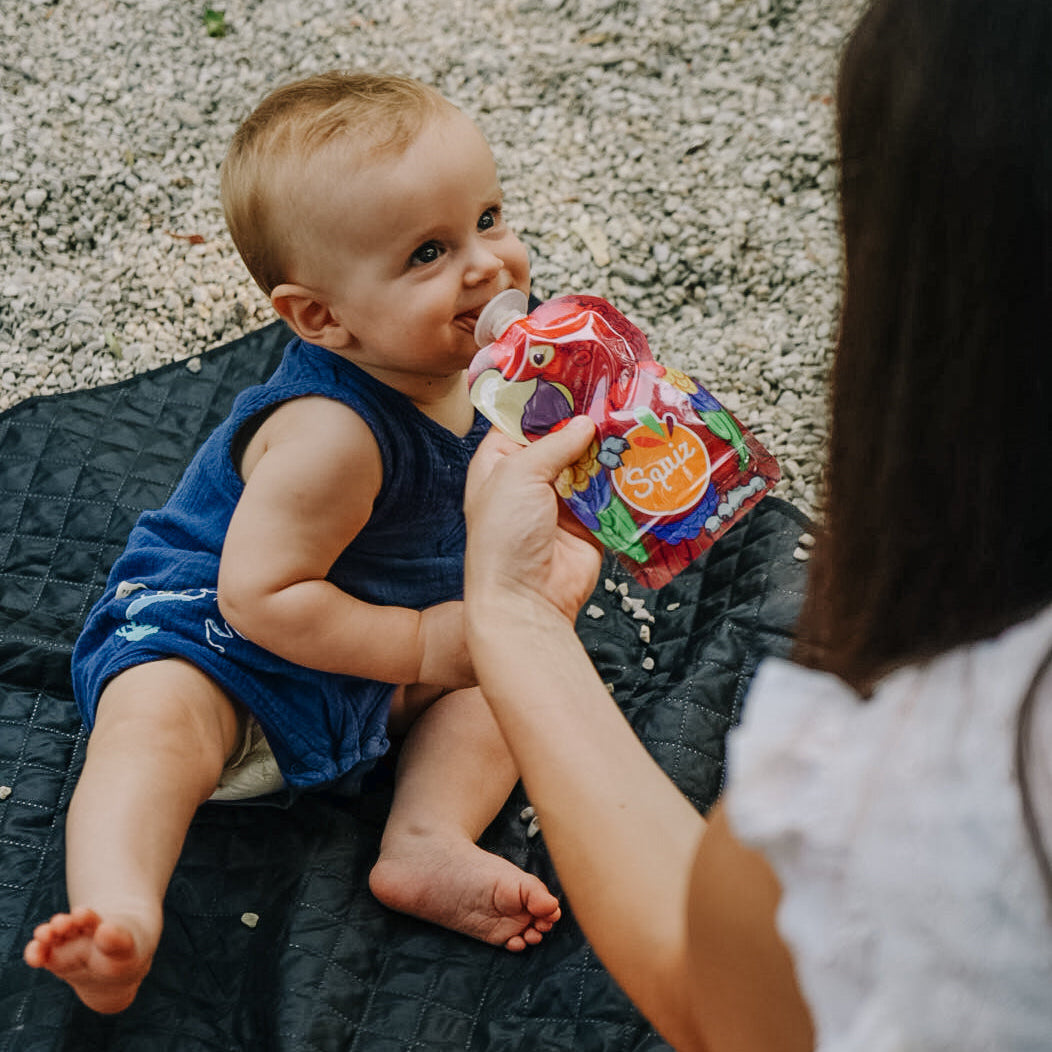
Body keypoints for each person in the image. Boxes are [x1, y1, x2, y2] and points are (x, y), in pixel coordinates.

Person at [460, 0, 1052, 1049]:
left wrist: (508, 612)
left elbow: (717, 989)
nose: (484, 269)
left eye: (489, 221)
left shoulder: (920, 781)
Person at [22, 70, 560, 1015]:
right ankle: (117, 915)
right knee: (152, 726)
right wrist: (423, 643)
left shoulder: (492, 372)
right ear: (321, 318)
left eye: (488, 218)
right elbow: (258, 598)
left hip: (364, 659)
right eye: (428, 252)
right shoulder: (331, 435)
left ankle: (426, 838)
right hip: (220, 640)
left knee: (516, 665)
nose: (488, 267)